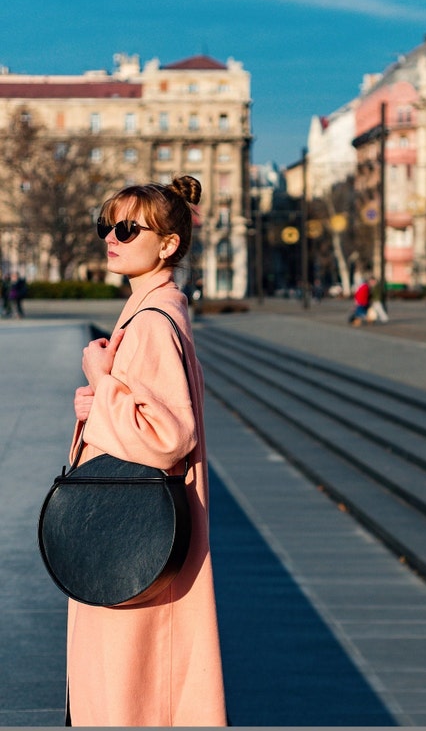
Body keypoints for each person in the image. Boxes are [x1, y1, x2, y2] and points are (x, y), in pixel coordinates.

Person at [66, 176, 226, 726]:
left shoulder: (154, 320)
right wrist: (100, 401)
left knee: (131, 691)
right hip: (137, 533)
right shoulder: (150, 310)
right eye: (107, 224)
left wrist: (99, 378)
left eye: (129, 227)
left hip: (133, 537)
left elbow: (166, 437)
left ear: (168, 245)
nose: (113, 235)